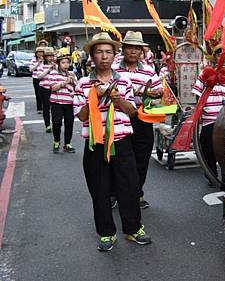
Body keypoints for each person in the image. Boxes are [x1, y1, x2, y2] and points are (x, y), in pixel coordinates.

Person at [73, 32, 151, 251]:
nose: (104, 56)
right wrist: (94, 97)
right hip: (95, 144)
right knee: (100, 189)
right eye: (99, 52)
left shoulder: (123, 80)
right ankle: (106, 233)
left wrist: (119, 100)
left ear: (114, 55)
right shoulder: (83, 83)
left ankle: (133, 229)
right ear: (92, 56)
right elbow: (81, 116)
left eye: (108, 52)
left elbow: (132, 112)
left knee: (129, 186)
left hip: (122, 143)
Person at [114, 31, 163, 209]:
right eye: (129, 48)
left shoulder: (149, 70)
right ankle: (115, 193)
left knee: (142, 159)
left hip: (142, 118)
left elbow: (159, 91)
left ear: (141, 51)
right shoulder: (113, 69)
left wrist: (156, 93)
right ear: (123, 49)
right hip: (119, 118)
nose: (133, 51)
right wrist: (137, 91)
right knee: (120, 159)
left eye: (137, 48)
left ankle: (137, 193)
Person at [192, 61, 225, 194]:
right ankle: (211, 174)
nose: (221, 56)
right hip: (209, 119)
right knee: (208, 150)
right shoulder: (204, 74)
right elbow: (198, 95)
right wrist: (199, 113)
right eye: (218, 53)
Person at [41, 51, 77, 153]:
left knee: (69, 123)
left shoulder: (71, 74)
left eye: (67, 63)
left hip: (69, 103)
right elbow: (53, 88)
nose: (66, 65)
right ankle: (56, 141)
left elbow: (77, 87)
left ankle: (67, 144)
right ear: (58, 64)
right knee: (57, 123)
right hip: (57, 103)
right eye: (63, 63)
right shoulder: (53, 74)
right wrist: (64, 82)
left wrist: (74, 81)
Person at [37, 47, 57, 133]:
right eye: (48, 56)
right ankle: (48, 125)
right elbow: (39, 76)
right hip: (44, 89)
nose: (50, 58)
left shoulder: (56, 66)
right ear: (45, 57)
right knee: (46, 107)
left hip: (54, 89)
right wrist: (48, 69)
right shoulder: (41, 65)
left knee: (55, 108)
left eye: (52, 56)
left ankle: (55, 124)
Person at [29, 47, 45, 114]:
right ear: (36, 53)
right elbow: (31, 69)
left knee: (45, 93)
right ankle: (39, 108)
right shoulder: (33, 59)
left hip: (44, 78)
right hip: (36, 78)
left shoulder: (46, 60)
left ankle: (46, 107)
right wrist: (38, 63)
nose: (40, 54)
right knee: (38, 93)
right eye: (38, 52)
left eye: (41, 52)